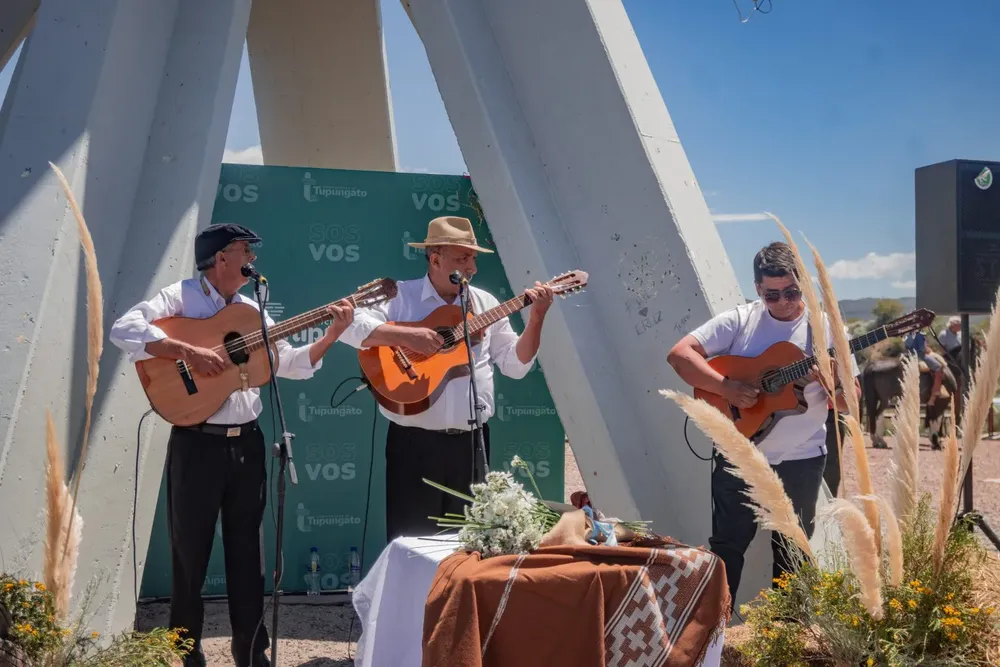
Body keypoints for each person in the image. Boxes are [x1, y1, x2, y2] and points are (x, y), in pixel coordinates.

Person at [109, 223, 355, 667]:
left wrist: (332, 334)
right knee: (189, 553)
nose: (252, 261)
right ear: (221, 258)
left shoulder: (250, 309)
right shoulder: (179, 297)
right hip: (196, 443)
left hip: (248, 444)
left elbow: (289, 364)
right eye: (246, 251)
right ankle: (186, 654)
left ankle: (251, 652)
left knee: (249, 555)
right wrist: (186, 350)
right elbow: (124, 328)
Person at [337, 216, 555, 542]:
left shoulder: (485, 304)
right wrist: (407, 338)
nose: (472, 267)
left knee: (469, 546)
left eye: (473, 258)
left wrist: (536, 319)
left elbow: (515, 364)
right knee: (412, 542)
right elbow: (351, 326)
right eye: (462, 258)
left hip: (472, 444)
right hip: (414, 445)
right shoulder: (401, 297)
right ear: (435, 259)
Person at [667, 241, 860, 608]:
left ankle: (787, 638)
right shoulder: (740, 320)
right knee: (727, 546)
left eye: (792, 291)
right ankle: (713, 634)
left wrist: (833, 382)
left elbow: (850, 404)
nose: (785, 302)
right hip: (739, 454)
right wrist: (728, 388)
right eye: (774, 295)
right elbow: (679, 355)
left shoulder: (827, 329)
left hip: (802, 459)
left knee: (794, 549)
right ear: (758, 288)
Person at [905, 331, 944, 405]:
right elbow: (923, 349)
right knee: (939, 367)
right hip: (920, 357)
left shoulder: (907, 334)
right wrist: (928, 349)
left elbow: (906, 347)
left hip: (909, 356)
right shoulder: (920, 335)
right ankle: (935, 392)